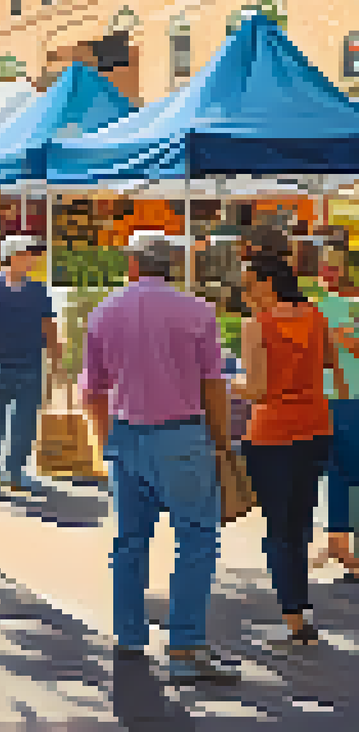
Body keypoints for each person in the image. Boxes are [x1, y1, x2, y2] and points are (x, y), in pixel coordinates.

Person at [80, 234, 237, 682]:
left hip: (126, 435)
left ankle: (129, 635)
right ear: (171, 265)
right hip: (183, 436)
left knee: (130, 541)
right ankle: (185, 646)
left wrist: (104, 444)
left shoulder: (105, 311)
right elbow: (213, 384)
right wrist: (221, 442)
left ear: (132, 264)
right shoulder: (197, 310)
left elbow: (92, 391)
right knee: (196, 539)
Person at [237, 254, 335, 645]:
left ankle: (294, 617)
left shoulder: (256, 326)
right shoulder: (315, 316)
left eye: (248, 284)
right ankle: (300, 612)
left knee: (278, 529)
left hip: (272, 433)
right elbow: (328, 361)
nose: (243, 292)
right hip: (315, 427)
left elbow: (258, 390)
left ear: (268, 283)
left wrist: (225, 384)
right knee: (299, 525)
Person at [0, 235, 60, 493]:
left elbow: (48, 324)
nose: (31, 259)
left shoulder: (38, 290)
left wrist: (56, 359)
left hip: (31, 365)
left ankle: (14, 473)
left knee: (24, 425)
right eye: (26, 254)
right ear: (11, 256)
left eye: (32, 255)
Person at [312, 248, 359, 581]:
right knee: (337, 471)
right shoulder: (322, 306)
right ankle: (339, 543)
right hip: (331, 397)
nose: (323, 271)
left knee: (345, 470)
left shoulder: (338, 307)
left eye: (329, 266)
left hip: (346, 398)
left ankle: (343, 546)